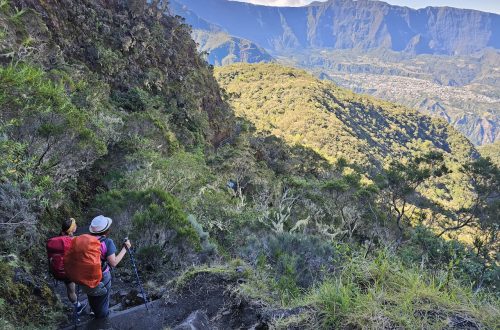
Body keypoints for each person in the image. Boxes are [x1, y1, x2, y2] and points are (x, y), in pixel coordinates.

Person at [86, 215, 131, 318]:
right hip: (101, 276)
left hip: (86, 274)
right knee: (103, 301)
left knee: (91, 294)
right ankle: (102, 319)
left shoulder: (85, 240)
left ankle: (94, 309)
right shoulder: (107, 242)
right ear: (106, 230)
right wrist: (125, 248)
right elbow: (113, 263)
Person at [48, 218, 88, 315]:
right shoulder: (73, 241)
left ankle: (76, 305)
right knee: (74, 289)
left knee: (69, 290)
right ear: (72, 229)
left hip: (59, 270)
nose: (77, 226)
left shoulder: (55, 240)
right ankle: (80, 308)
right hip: (69, 271)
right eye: (75, 225)